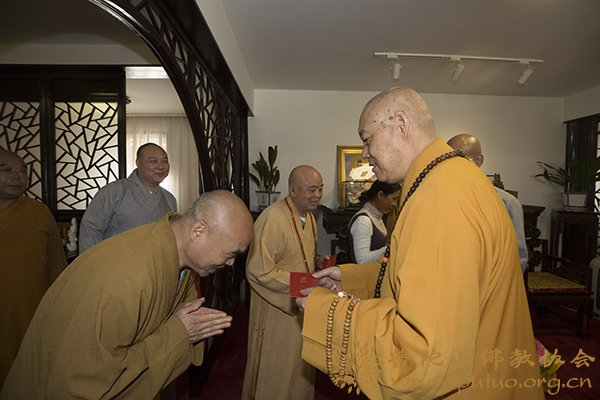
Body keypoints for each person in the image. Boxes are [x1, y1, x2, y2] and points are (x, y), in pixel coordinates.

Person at [297, 88, 543, 400]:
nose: (364, 153)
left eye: (367, 139)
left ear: (401, 124)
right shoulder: (453, 178)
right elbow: (418, 273)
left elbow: (421, 355)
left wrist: (325, 311)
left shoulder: (440, 198)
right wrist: (352, 279)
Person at [1, 190, 254, 399]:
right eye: (231, 253)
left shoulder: (177, 255)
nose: (231, 263)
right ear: (198, 230)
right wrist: (180, 332)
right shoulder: (125, 275)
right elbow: (87, 381)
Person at [242, 165, 324, 400]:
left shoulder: (309, 216)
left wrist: (318, 265)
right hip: (277, 307)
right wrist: (303, 283)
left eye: (320, 189)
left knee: (300, 365)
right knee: (277, 366)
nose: (317, 195)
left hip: (303, 302)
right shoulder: (272, 218)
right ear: (293, 189)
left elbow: (298, 256)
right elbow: (258, 270)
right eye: (311, 189)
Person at [0, 149, 68, 386]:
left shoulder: (39, 213)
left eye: (22, 171)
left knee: (27, 375)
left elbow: (56, 264)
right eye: (6, 169)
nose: (16, 176)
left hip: (30, 311)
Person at [447, 133, 529, 273]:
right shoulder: (440, 198)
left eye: (460, 160)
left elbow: (518, 259)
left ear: (479, 161)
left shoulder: (507, 203)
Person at [78, 142, 177, 254]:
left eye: (164, 161)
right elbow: (90, 228)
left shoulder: (170, 199)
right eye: (153, 161)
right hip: (115, 260)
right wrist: (91, 261)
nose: (161, 166)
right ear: (138, 163)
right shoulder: (115, 191)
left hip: (154, 261)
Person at [348, 180, 400, 263]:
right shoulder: (363, 221)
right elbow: (362, 261)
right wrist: (391, 247)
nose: (394, 204)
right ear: (380, 195)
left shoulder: (377, 217)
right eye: (394, 199)